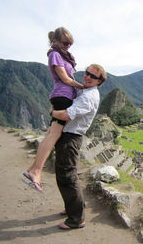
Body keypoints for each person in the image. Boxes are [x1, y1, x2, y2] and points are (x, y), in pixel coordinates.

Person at [23, 27, 84, 192]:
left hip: (62, 96)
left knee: (51, 133)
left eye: (70, 44)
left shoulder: (62, 55)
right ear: (55, 41)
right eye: (65, 43)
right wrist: (82, 86)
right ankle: (35, 170)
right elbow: (65, 79)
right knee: (54, 134)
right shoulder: (55, 54)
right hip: (62, 96)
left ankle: (35, 170)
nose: (68, 46)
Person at [50, 64, 106, 229]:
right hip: (68, 135)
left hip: (71, 137)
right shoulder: (85, 90)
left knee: (67, 176)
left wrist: (52, 112)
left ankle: (76, 219)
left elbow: (67, 115)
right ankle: (73, 208)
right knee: (66, 174)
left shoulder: (89, 97)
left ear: (99, 82)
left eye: (93, 76)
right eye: (87, 73)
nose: (88, 77)